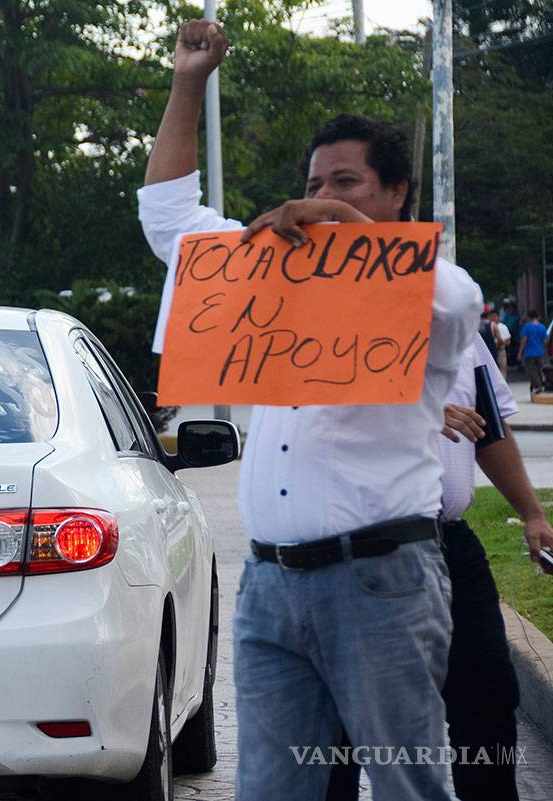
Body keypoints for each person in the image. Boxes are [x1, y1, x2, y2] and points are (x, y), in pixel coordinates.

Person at [139, 19, 482, 801]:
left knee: (408, 786)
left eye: (347, 183)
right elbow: (168, 221)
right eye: (315, 183)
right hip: (270, 583)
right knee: (271, 789)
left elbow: (462, 300)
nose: (322, 198)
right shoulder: (264, 274)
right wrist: (188, 81)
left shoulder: (424, 297)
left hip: (380, 580)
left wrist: (354, 240)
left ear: (396, 196)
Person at [325, 335, 553, 801]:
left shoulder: (462, 330)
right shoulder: (332, 321)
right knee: (340, 720)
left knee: (487, 696)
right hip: (355, 553)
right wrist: (419, 414)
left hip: (448, 543)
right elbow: (314, 419)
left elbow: (488, 431)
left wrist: (532, 513)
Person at [517, 310, 546, 394]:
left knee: (532, 371)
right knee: (540, 369)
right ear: (538, 317)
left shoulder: (527, 327)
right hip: (540, 352)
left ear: (529, 317)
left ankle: (538, 386)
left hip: (530, 353)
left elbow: (524, 340)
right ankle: (538, 385)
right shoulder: (542, 327)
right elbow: (545, 341)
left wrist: (520, 352)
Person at [488, 309, 510, 375]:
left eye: (494, 316)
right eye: (491, 317)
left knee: (503, 368)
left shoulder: (503, 327)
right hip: (490, 350)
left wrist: (500, 344)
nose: (493, 318)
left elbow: (508, 340)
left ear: (498, 317)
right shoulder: (487, 327)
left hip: (500, 350)